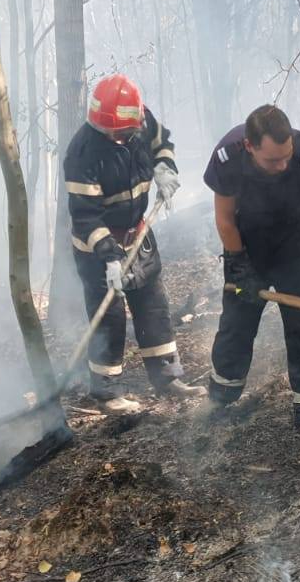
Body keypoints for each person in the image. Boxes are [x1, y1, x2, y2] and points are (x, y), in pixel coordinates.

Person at [62, 74, 204, 411]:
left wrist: (165, 168)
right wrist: (109, 257)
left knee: (153, 306)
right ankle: (107, 391)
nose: (116, 137)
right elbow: (85, 217)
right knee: (108, 317)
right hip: (98, 247)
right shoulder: (82, 154)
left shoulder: (141, 120)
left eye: (122, 132)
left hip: (139, 234)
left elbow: (162, 144)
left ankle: (168, 378)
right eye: (110, 132)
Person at [203, 104, 300, 438]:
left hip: (294, 243)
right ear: (250, 147)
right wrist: (239, 264)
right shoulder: (227, 157)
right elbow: (224, 219)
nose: (282, 165)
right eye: (272, 160)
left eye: (285, 157)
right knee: (237, 320)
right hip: (247, 244)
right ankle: (222, 393)